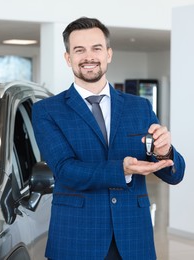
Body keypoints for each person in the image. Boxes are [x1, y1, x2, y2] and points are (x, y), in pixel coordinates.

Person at [32, 17, 185, 260]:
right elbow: (64, 170)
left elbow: (175, 175)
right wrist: (121, 169)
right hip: (76, 239)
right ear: (68, 58)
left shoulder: (140, 107)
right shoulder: (47, 111)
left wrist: (164, 151)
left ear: (109, 54)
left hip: (134, 239)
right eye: (79, 50)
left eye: (96, 48)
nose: (89, 57)